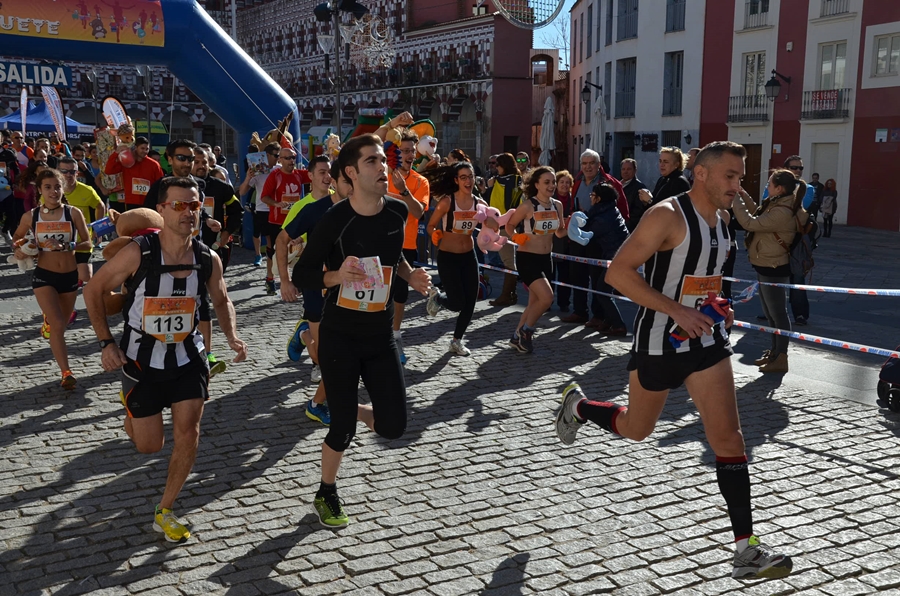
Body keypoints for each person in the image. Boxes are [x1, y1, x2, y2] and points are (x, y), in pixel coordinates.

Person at [555, 141, 793, 581]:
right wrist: (675, 309)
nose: (738, 186)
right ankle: (579, 406)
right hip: (659, 343)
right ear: (701, 173)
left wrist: (718, 304)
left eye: (741, 177)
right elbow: (617, 273)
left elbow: (707, 280)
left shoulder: (723, 221)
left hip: (707, 343)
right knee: (636, 429)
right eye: (731, 176)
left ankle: (746, 550)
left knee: (730, 441)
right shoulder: (666, 214)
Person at [84, 176, 248, 543]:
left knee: (188, 433)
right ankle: (132, 412)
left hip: (188, 357)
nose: (188, 212)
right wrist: (105, 343)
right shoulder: (138, 252)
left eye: (194, 205)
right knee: (149, 445)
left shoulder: (208, 258)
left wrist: (232, 336)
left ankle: (166, 508)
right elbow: (94, 289)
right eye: (178, 205)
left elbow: (221, 300)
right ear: (161, 209)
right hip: (141, 360)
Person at [292, 134, 433, 528]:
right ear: (351, 173)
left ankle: (345, 406)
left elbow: (396, 256)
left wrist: (411, 275)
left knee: (393, 426)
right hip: (340, 335)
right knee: (342, 430)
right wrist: (336, 275)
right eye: (372, 161)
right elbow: (303, 272)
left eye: (383, 161)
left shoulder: (396, 213)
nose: (383, 167)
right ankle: (327, 491)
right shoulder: (335, 220)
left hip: (379, 334)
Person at [278, 159, 352, 425]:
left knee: (344, 353)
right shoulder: (309, 209)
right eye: (324, 173)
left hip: (347, 289)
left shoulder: (359, 209)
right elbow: (281, 240)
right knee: (325, 357)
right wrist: (284, 281)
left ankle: (321, 402)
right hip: (315, 285)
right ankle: (307, 334)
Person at [12, 169, 92, 388]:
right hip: (44, 277)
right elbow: (17, 238)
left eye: (57, 186)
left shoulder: (73, 213)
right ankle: (66, 372)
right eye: (48, 187)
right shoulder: (32, 216)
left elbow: (88, 242)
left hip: (69, 277)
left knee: (60, 325)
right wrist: (22, 248)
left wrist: (68, 245)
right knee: (57, 322)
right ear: (39, 190)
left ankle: (48, 323)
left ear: (62, 188)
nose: (53, 191)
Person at [732, 169, 807, 374]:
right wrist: (741, 193)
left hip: (774, 266)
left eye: (769, 184)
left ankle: (781, 356)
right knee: (770, 313)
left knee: (778, 314)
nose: (767, 187)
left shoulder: (783, 211)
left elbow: (750, 222)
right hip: (766, 263)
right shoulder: (778, 204)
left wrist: (734, 200)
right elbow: (758, 212)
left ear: (779, 188)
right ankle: (774, 352)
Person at [425, 162, 496, 356]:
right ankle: (438, 297)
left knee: (471, 301)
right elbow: (431, 225)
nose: (468, 181)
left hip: (468, 256)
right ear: (456, 180)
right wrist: (435, 234)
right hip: (448, 257)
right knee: (457, 303)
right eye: (463, 177)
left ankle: (456, 341)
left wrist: (492, 223)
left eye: (470, 176)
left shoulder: (480, 205)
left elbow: (491, 225)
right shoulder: (447, 202)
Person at [504, 166, 567, 353]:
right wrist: (515, 236)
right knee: (547, 298)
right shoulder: (528, 205)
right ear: (537, 184)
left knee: (534, 303)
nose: (552, 185)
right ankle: (527, 331)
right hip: (527, 258)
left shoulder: (558, 205)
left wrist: (572, 226)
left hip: (546, 259)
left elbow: (560, 232)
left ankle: (516, 337)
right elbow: (509, 225)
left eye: (553, 181)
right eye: (547, 182)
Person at [563, 149, 629, 325]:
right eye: (584, 163)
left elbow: (623, 212)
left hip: (599, 239)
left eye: (591, 163)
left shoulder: (610, 183)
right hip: (579, 236)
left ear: (598, 165)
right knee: (577, 275)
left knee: (596, 276)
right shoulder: (576, 182)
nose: (588, 167)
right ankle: (579, 311)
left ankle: (598, 316)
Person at [381, 127, 429, 365]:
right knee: (380, 294)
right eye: (405, 150)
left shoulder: (421, 182)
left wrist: (402, 191)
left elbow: (418, 211)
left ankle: (395, 336)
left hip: (406, 246)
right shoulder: (382, 174)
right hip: (379, 242)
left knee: (399, 297)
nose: (409, 155)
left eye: (412, 151)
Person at [260, 145, 311, 296]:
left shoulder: (299, 174)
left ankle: (295, 282)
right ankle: (270, 279)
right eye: (287, 158)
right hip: (277, 222)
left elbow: (316, 174)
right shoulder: (274, 175)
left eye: (293, 157)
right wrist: (276, 203)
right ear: (280, 160)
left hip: (294, 221)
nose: (291, 161)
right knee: (275, 253)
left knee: (297, 251)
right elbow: (264, 197)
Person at [582, 184, 628, 335]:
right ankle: (608, 321)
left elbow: (586, 233)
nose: (590, 197)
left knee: (602, 291)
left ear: (599, 198)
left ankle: (618, 325)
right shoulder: (610, 209)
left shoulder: (602, 217)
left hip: (617, 259)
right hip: (615, 256)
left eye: (592, 195)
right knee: (605, 291)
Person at [59, 156, 105, 285]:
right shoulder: (53, 191)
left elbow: (100, 206)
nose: (68, 174)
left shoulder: (86, 190)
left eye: (72, 171)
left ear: (77, 172)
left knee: (86, 277)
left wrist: (97, 229)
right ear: (58, 172)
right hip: (60, 240)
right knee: (65, 277)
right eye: (64, 171)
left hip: (82, 240)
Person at [486, 153, 523, 307]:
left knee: (509, 262)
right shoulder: (516, 180)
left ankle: (506, 295)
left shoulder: (505, 181)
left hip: (504, 225)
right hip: (509, 224)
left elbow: (505, 204)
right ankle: (511, 294)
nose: (496, 168)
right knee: (510, 260)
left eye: (498, 165)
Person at [781, 156, 814, 326]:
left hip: (797, 240)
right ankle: (773, 310)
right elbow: (765, 205)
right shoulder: (770, 186)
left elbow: (797, 209)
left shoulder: (807, 188)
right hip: (777, 238)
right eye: (794, 167)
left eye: (800, 168)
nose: (798, 171)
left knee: (798, 277)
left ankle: (800, 314)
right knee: (773, 277)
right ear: (786, 168)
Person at [238, 142, 280, 267]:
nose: (278, 158)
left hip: (276, 208)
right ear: (267, 155)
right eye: (276, 155)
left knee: (271, 237)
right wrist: (247, 177)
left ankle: (271, 258)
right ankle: (257, 255)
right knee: (257, 233)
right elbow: (242, 191)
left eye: (279, 155)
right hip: (261, 208)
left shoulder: (280, 169)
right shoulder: (258, 170)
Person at [104, 136, 164, 211]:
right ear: (136, 147)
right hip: (131, 202)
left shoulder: (154, 164)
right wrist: (116, 153)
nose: (145, 151)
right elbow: (108, 171)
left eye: (147, 149)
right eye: (142, 148)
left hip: (149, 202)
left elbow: (161, 183)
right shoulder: (127, 162)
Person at [143, 140, 198, 210]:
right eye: (181, 158)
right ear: (170, 160)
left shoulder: (201, 185)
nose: (187, 163)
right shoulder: (160, 186)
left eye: (191, 159)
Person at [553, 170, 575, 312]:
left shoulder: (574, 198)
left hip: (568, 241)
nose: (565, 185)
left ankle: (564, 302)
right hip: (552, 240)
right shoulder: (551, 199)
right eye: (562, 182)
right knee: (549, 273)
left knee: (565, 276)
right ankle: (546, 301)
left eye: (567, 183)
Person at [619, 158, 648, 231]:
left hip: (627, 228)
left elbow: (637, 214)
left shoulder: (640, 188)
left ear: (635, 170)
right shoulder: (617, 185)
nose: (625, 172)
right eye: (623, 169)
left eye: (629, 169)